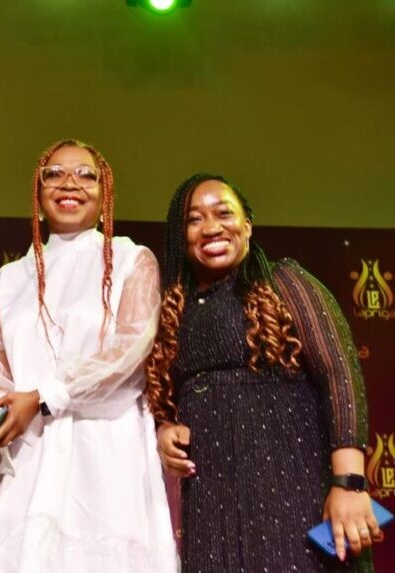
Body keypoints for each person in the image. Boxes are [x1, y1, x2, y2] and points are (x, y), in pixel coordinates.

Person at [0, 140, 177, 572]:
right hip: (26, 455)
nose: (69, 182)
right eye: (54, 173)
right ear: (37, 194)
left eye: (85, 174)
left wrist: (44, 396)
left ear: (105, 194)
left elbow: (127, 357)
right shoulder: (9, 278)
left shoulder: (132, 260)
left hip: (105, 451)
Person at [145, 173, 382, 571]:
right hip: (213, 512)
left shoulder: (285, 282)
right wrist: (164, 428)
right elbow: (165, 398)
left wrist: (350, 484)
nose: (212, 227)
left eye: (224, 213)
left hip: (293, 500)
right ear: (179, 236)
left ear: (248, 225)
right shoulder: (175, 312)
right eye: (194, 219)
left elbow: (340, 378)